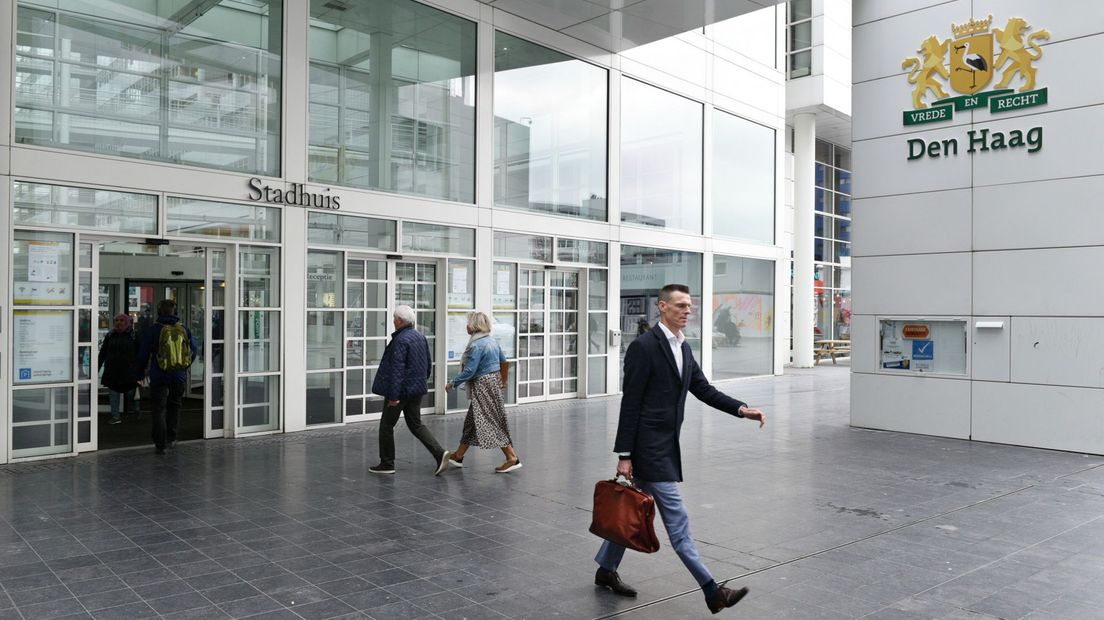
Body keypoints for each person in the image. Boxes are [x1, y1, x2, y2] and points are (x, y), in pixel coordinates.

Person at [594, 283, 766, 615]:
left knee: (629, 514)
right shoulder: (644, 347)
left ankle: (605, 569)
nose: (688, 311)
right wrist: (625, 456)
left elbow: (702, 388)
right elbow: (631, 404)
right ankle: (712, 590)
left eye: (690, 306)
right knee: (678, 521)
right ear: (662, 307)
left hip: (664, 446)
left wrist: (742, 409)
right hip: (648, 450)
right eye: (681, 306)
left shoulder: (683, 347)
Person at [369, 305, 450, 476]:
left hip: (401, 391)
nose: (393, 321)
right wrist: (420, 381)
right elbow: (428, 364)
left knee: (386, 426)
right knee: (416, 424)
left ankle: (387, 463)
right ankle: (439, 453)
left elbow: (397, 370)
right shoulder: (420, 337)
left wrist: (393, 396)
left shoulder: (400, 340)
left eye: (394, 318)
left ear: (399, 321)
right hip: (416, 389)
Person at [445, 312, 521, 473]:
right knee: (472, 422)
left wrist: (453, 383)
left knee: (489, 421)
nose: (466, 326)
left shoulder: (476, 345)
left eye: (468, 323)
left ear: (473, 325)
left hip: (483, 385)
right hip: (492, 382)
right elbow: (504, 361)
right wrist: (503, 381)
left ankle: (511, 457)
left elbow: (470, 371)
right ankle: (458, 455)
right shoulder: (491, 341)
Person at [135, 299, 198, 455]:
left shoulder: (154, 330)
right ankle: (171, 437)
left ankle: (160, 444)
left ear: (158, 312)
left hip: (159, 376)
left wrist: (140, 373)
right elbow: (194, 350)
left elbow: (143, 354)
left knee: (158, 409)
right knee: (174, 406)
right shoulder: (184, 329)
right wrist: (184, 367)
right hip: (178, 376)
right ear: (175, 312)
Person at [98, 313, 138, 425]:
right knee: (113, 393)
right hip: (112, 370)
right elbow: (103, 352)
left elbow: (139, 353)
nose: (119, 323)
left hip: (128, 370)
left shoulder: (133, 335)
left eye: (121, 320)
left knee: (130, 392)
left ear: (127, 322)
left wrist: (141, 368)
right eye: (116, 320)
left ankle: (135, 408)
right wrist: (97, 366)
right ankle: (115, 416)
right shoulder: (110, 335)